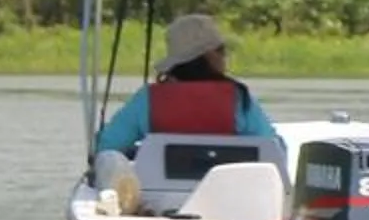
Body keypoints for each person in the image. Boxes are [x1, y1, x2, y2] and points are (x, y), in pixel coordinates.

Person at [93, 13, 279, 154]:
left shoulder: (148, 99)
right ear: (208, 57)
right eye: (221, 50)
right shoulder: (239, 100)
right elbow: (275, 151)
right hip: (226, 196)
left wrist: (138, 152)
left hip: (160, 201)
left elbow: (106, 146)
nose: (225, 56)